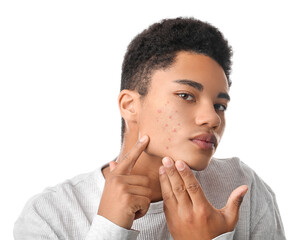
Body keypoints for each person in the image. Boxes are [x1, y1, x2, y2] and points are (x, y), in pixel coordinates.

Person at [14, 17, 286, 239]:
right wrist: (109, 229)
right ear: (130, 105)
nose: (212, 119)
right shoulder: (50, 215)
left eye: (220, 105)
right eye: (186, 95)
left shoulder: (242, 189)